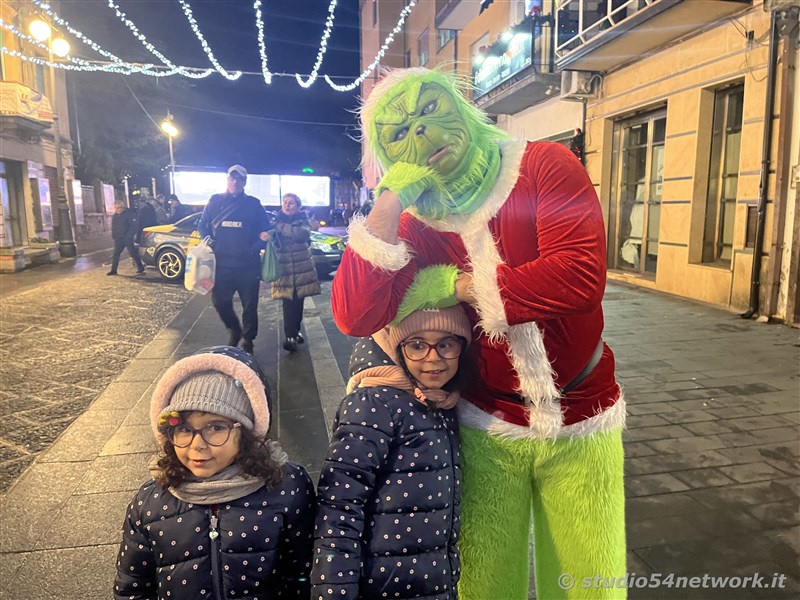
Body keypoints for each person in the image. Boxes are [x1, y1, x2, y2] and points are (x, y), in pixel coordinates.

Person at [331, 68, 626, 600]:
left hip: (585, 413)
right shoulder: (415, 221)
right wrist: (389, 200)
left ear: (462, 108)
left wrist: (456, 285)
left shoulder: (543, 165)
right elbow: (355, 314)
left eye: (429, 111)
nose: (419, 133)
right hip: (486, 423)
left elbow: (579, 276)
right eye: (397, 133)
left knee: (592, 585)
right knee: (486, 584)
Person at [312, 268, 470, 599]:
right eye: (417, 345)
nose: (433, 359)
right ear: (397, 349)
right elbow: (339, 506)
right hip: (380, 587)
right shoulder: (373, 404)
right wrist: (333, 589)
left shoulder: (443, 404)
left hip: (434, 583)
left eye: (446, 344)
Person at [113, 345, 315, 599]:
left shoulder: (285, 487)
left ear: (246, 432)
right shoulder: (151, 504)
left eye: (216, 427)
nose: (198, 445)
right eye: (185, 429)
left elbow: (303, 573)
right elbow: (133, 586)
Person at [198, 165, 270, 355]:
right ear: (227, 180)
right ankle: (234, 328)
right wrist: (209, 241)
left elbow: (266, 230)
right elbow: (202, 225)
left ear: (245, 182)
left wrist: (255, 246)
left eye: (239, 179)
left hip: (248, 266)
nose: (235, 182)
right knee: (220, 302)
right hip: (222, 265)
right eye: (232, 178)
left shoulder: (254, 204)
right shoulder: (215, 201)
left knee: (249, 306)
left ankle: (248, 339)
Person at [270, 193, 320, 353]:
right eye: (284, 202)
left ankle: (296, 330)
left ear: (298, 206)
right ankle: (289, 336)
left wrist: (280, 228)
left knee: (298, 303)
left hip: (301, 269)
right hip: (284, 269)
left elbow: (301, 234)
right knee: (288, 302)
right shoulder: (275, 220)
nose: (287, 205)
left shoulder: (302, 220)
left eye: (291, 203)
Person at [107, 200, 145, 276]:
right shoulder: (115, 216)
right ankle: (113, 270)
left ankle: (140, 267)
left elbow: (133, 227)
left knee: (133, 253)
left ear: (123, 207)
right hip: (119, 239)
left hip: (127, 238)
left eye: (120, 208)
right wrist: (114, 235)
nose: (118, 209)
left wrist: (129, 236)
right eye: (116, 208)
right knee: (116, 254)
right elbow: (114, 226)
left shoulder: (129, 214)